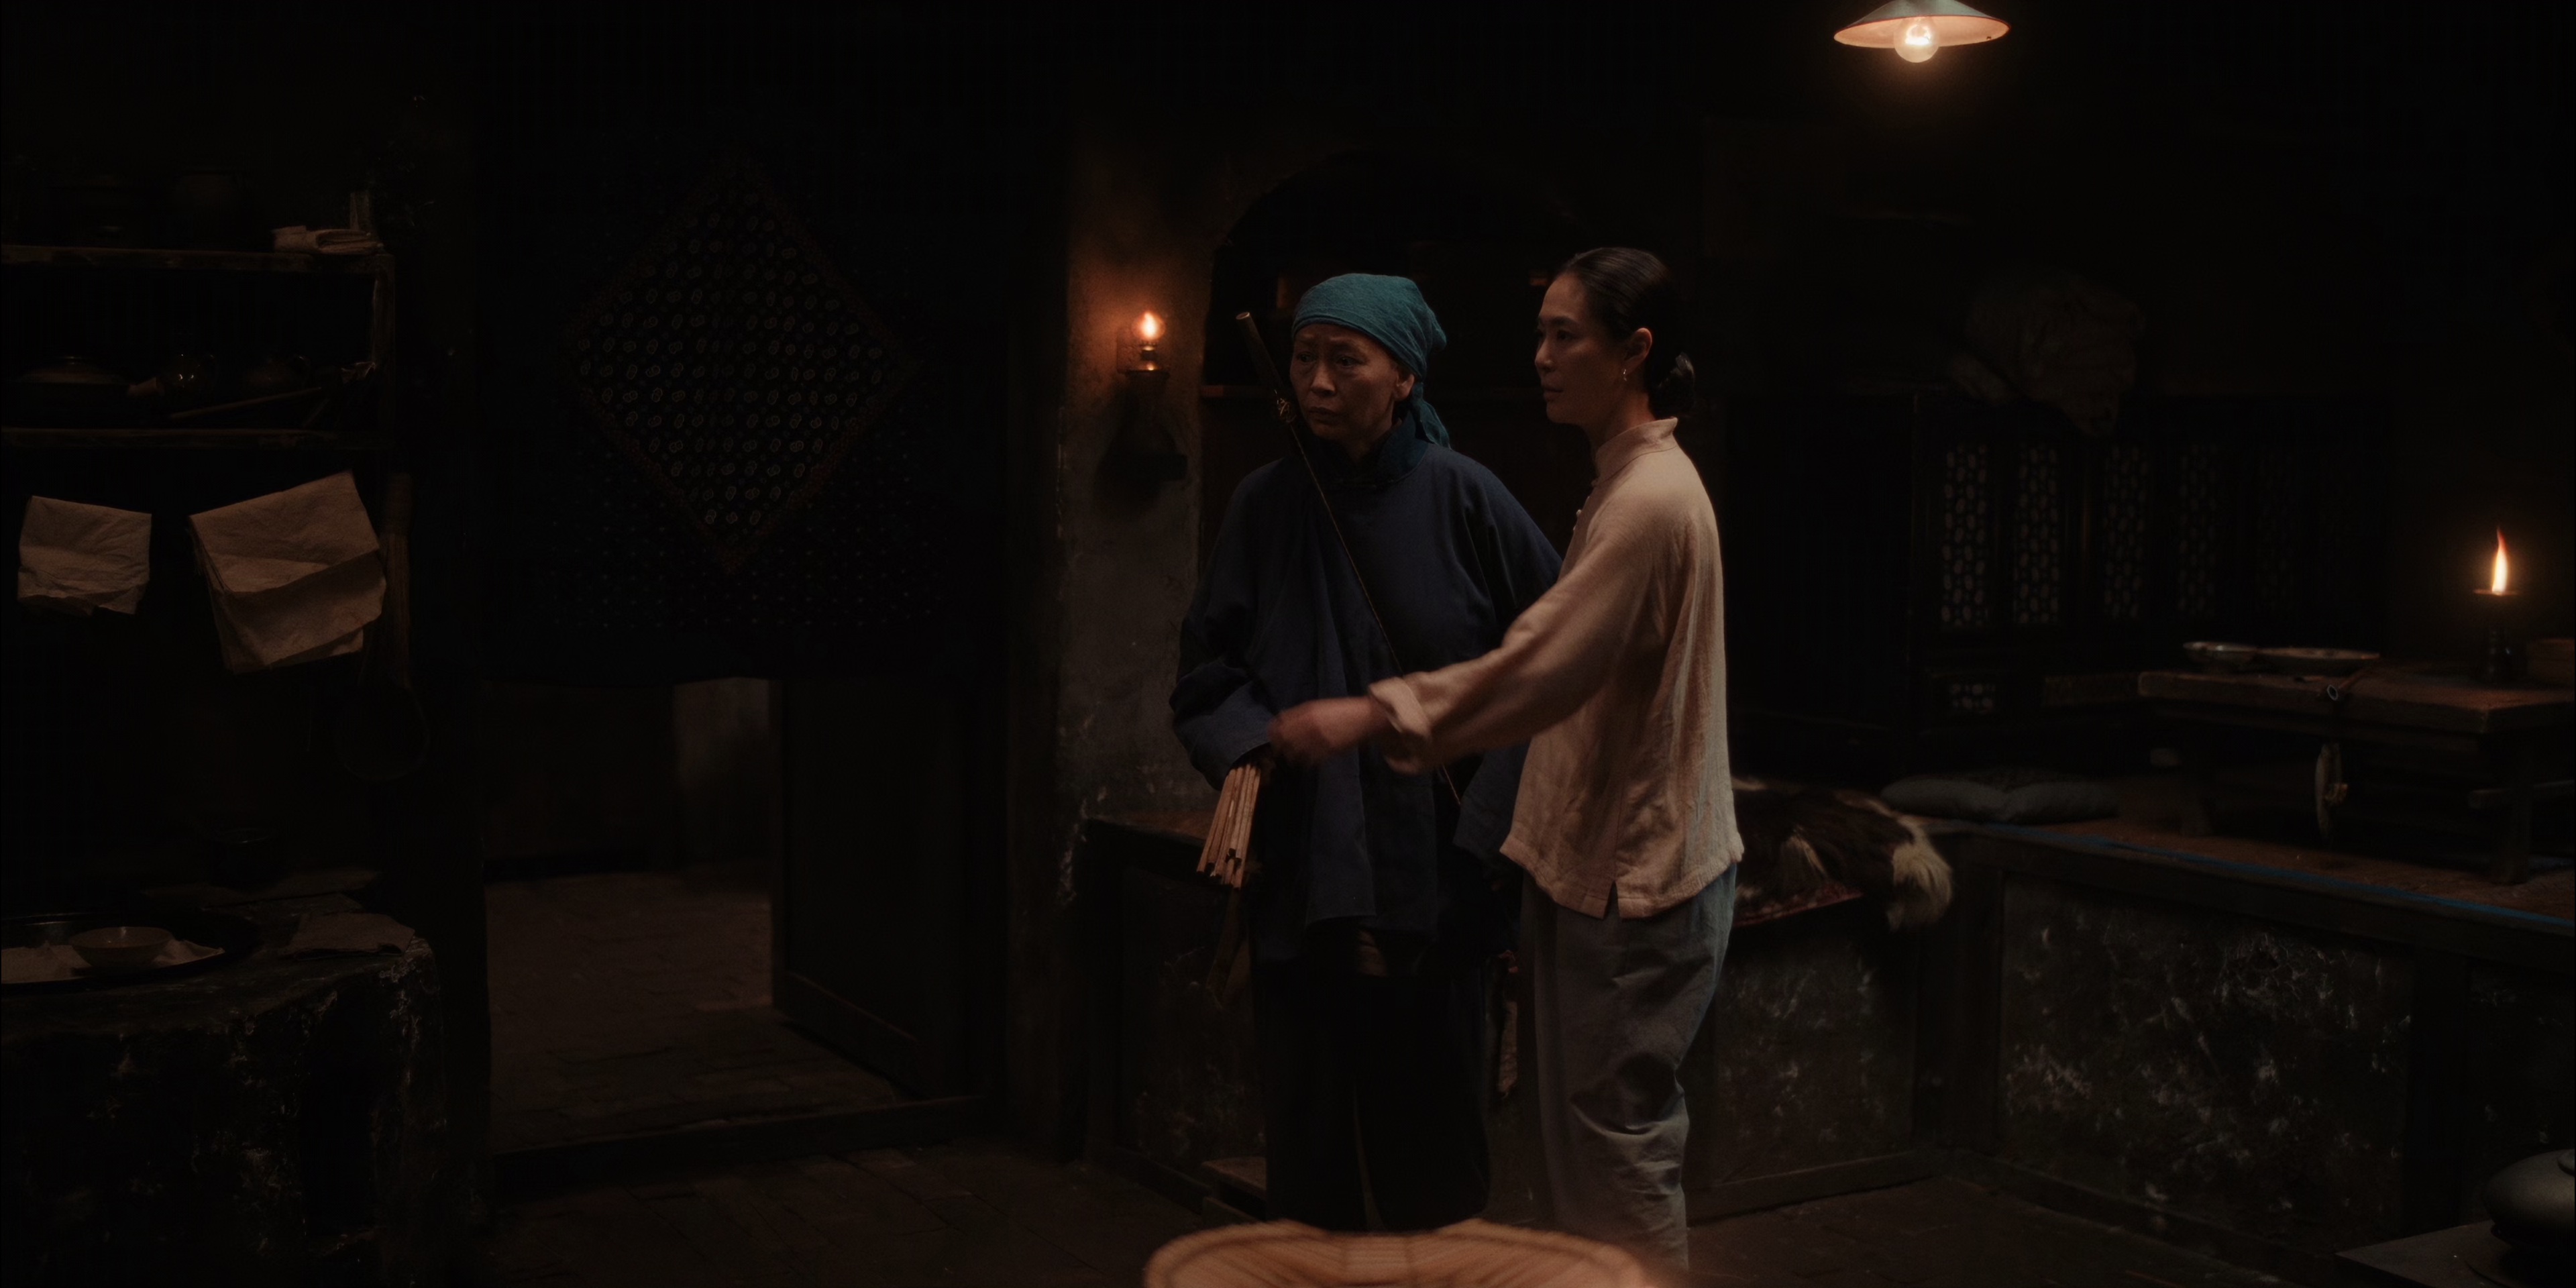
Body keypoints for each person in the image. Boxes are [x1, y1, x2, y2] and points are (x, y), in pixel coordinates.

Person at [1268, 248, 1738, 1276]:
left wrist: (1371, 714)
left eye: (1567, 336)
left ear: (1635, 352)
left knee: (1615, 1154)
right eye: (1541, 334)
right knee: (1585, 1155)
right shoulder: (1625, 484)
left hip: (1636, 875)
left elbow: (1538, 667)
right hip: (1597, 867)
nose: (1543, 358)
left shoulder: (1651, 500)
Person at [1171, 272, 1561, 1233]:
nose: (1317, 380)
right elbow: (1208, 674)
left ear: (1405, 379)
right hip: (1304, 868)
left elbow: (1554, 673)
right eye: (1305, 357)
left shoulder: (1467, 499)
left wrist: (1490, 833)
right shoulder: (1267, 505)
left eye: (1347, 360)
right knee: (1309, 1161)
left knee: (1435, 1166)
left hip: (1437, 873)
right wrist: (1253, 748)